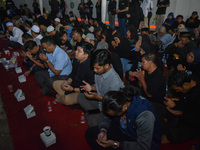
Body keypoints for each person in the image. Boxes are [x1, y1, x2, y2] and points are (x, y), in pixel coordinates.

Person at [85, 87, 161, 150]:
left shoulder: (144, 115)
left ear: (124, 107)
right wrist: (103, 130)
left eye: (115, 114)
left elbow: (143, 147)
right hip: (125, 130)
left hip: (138, 141)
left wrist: (116, 144)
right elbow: (106, 115)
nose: (113, 115)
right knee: (90, 133)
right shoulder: (119, 98)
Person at [77, 49, 124, 126]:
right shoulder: (99, 71)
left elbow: (113, 103)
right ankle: (96, 113)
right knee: (80, 97)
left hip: (109, 108)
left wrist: (97, 97)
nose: (95, 70)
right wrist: (92, 87)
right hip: (100, 103)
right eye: (94, 68)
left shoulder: (115, 81)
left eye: (97, 68)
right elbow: (99, 86)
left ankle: (98, 115)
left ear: (106, 65)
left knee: (92, 121)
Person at [162, 71, 200, 143]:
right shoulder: (189, 82)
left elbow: (196, 118)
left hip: (195, 123)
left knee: (172, 134)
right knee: (164, 112)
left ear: (185, 85)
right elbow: (184, 103)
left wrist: (181, 114)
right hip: (186, 114)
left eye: (177, 89)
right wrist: (174, 104)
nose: (177, 91)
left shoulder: (197, 94)